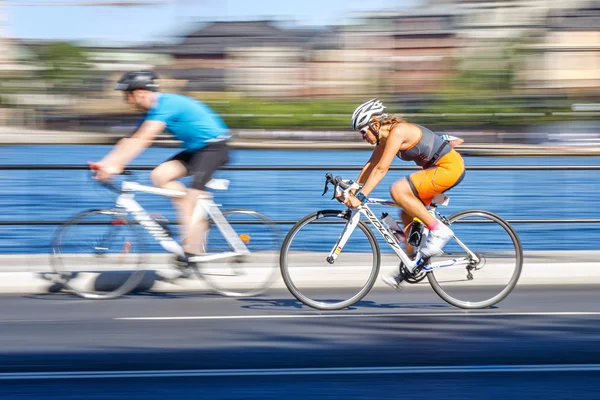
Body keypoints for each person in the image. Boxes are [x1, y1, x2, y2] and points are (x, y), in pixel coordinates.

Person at [91, 70, 230, 264]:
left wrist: (116, 166)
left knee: (192, 197)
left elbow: (144, 138)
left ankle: (193, 248)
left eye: (127, 96)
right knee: (160, 176)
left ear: (139, 93)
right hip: (196, 150)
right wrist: (105, 163)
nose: (126, 101)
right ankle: (195, 219)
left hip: (215, 147)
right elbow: (129, 140)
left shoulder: (166, 104)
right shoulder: (152, 111)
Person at [345, 98, 465, 289]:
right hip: (434, 170)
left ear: (374, 125)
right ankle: (411, 265)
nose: (362, 136)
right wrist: (354, 187)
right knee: (404, 212)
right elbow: (371, 165)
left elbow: (381, 169)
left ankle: (439, 230)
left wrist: (360, 197)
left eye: (362, 131)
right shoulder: (383, 139)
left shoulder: (397, 132)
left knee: (398, 190)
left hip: (448, 168)